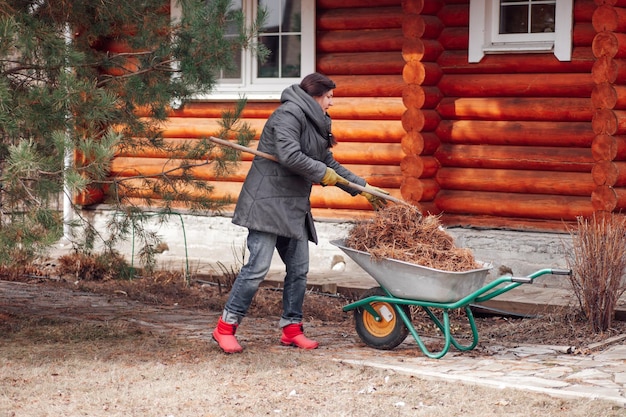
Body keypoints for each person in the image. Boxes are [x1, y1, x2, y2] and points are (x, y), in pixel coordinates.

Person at [212, 72, 388, 353]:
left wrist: (362, 187)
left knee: (298, 270)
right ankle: (225, 327)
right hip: (268, 202)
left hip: (293, 206)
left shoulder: (316, 121)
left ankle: (291, 329)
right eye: (329, 97)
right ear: (316, 95)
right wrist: (323, 173)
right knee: (257, 268)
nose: (331, 103)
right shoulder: (288, 115)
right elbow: (290, 155)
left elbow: (327, 161)